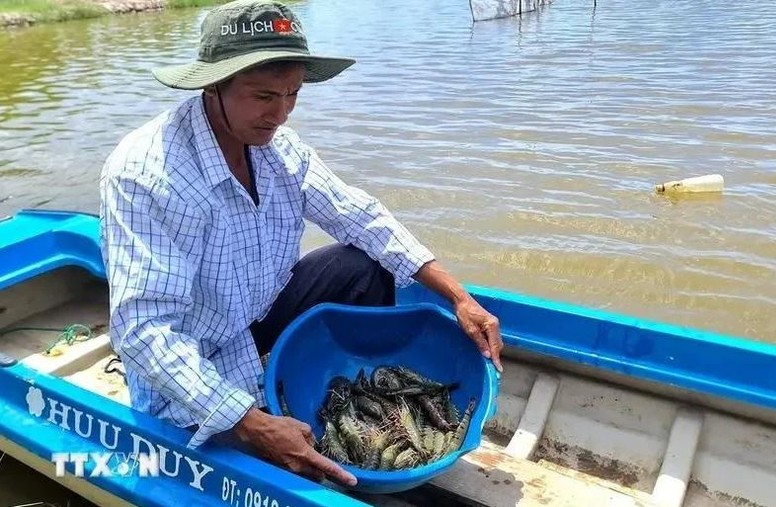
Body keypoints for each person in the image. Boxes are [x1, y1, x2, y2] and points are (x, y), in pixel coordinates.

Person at [99, 0, 503, 488]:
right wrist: (255, 424)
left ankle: (332, 385)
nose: (282, 114)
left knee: (362, 265)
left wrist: (457, 296)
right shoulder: (146, 175)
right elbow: (143, 332)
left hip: (253, 315)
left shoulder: (277, 149)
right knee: (257, 444)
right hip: (194, 349)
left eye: (293, 94)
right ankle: (264, 415)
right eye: (264, 95)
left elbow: (361, 216)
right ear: (212, 84)